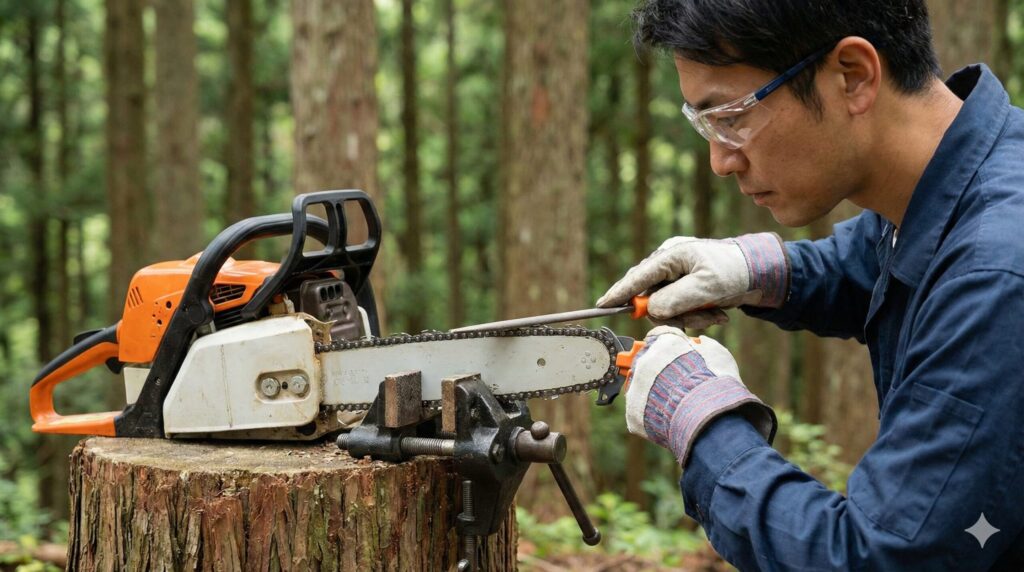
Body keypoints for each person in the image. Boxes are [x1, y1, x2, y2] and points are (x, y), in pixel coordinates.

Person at [597, 1, 1024, 569]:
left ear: (853, 77)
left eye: (731, 117)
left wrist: (703, 422)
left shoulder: (996, 276)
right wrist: (756, 270)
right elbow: (881, 257)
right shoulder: (968, 180)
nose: (720, 161)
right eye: (703, 125)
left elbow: (872, 558)